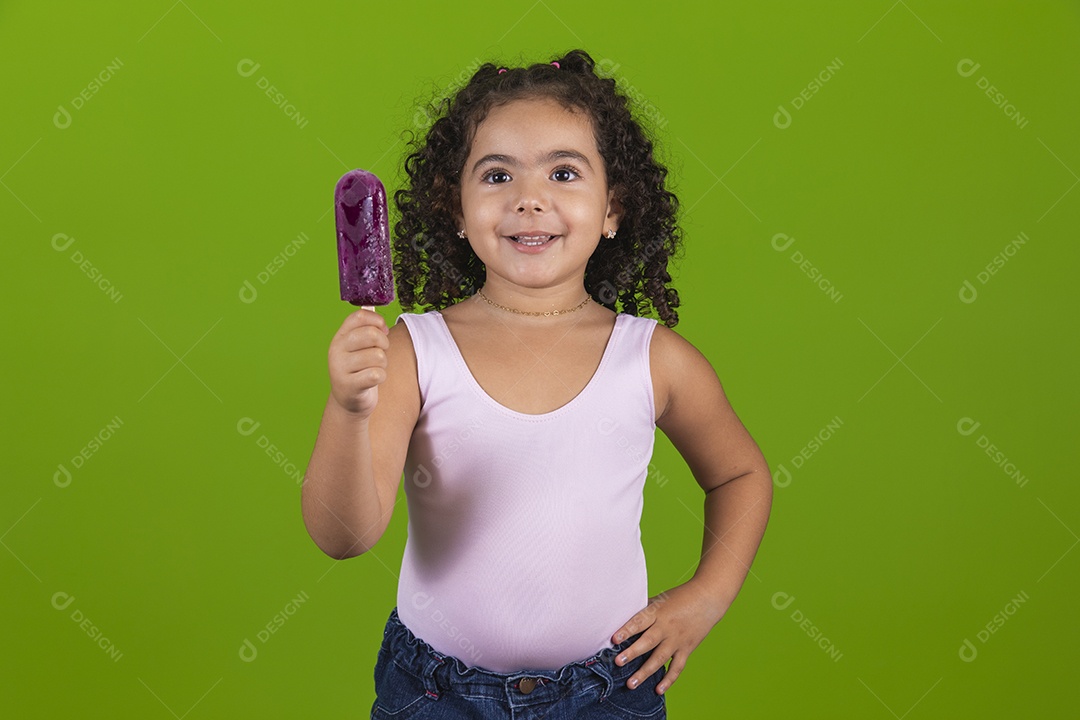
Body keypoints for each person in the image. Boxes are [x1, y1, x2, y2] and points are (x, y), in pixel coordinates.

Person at [302, 49, 773, 719]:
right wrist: (349, 409)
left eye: (563, 172)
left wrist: (706, 595)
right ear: (456, 210)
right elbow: (342, 536)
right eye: (497, 174)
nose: (530, 198)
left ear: (613, 208)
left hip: (608, 693)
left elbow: (740, 475)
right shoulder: (413, 352)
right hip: (435, 694)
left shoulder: (654, 359)